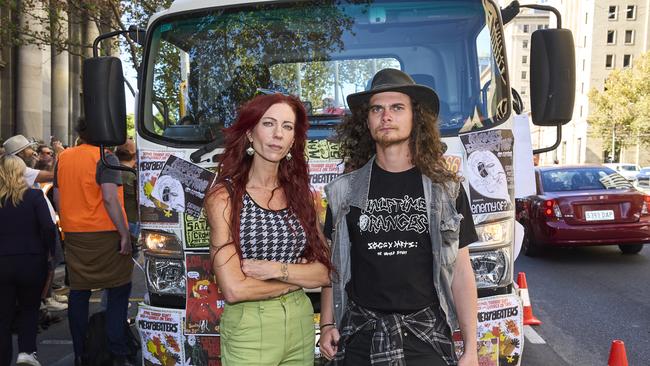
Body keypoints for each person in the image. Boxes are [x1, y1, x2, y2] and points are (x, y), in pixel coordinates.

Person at [319, 68, 479, 366]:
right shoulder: (343, 192)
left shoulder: (447, 191)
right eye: (377, 109)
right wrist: (327, 323)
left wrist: (471, 348)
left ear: (415, 118)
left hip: (425, 335)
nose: (385, 116)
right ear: (366, 121)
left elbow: (461, 272)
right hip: (360, 336)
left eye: (397, 107)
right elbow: (335, 265)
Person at [205, 93, 332, 365]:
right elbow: (234, 290)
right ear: (250, 133)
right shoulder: (224, 197)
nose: (278, 134)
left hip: (300, 321)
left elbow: (325, 272)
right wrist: (298, 278)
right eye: (268, 123)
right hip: (250, 325)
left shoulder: (301, 197)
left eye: (287, 127)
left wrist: (276, 271)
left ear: (293, 140)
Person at [53, 119, 134, 366]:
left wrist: (68, 225)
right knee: (119, 289)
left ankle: (80, 352)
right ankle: (116, 350)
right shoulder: (106, 158)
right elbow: (110, 199)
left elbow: (57, 195)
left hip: (75, 234)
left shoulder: (64, 158)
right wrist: (124, 234)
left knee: (79, 292)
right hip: (106, 233)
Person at [0, 155, 56, 366]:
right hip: (31, 259)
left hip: (2, 262)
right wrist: (49, 251)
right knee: (29, 309)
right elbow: (48, 226)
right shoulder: (34, 196)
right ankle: (26, 352)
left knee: (3, 316)